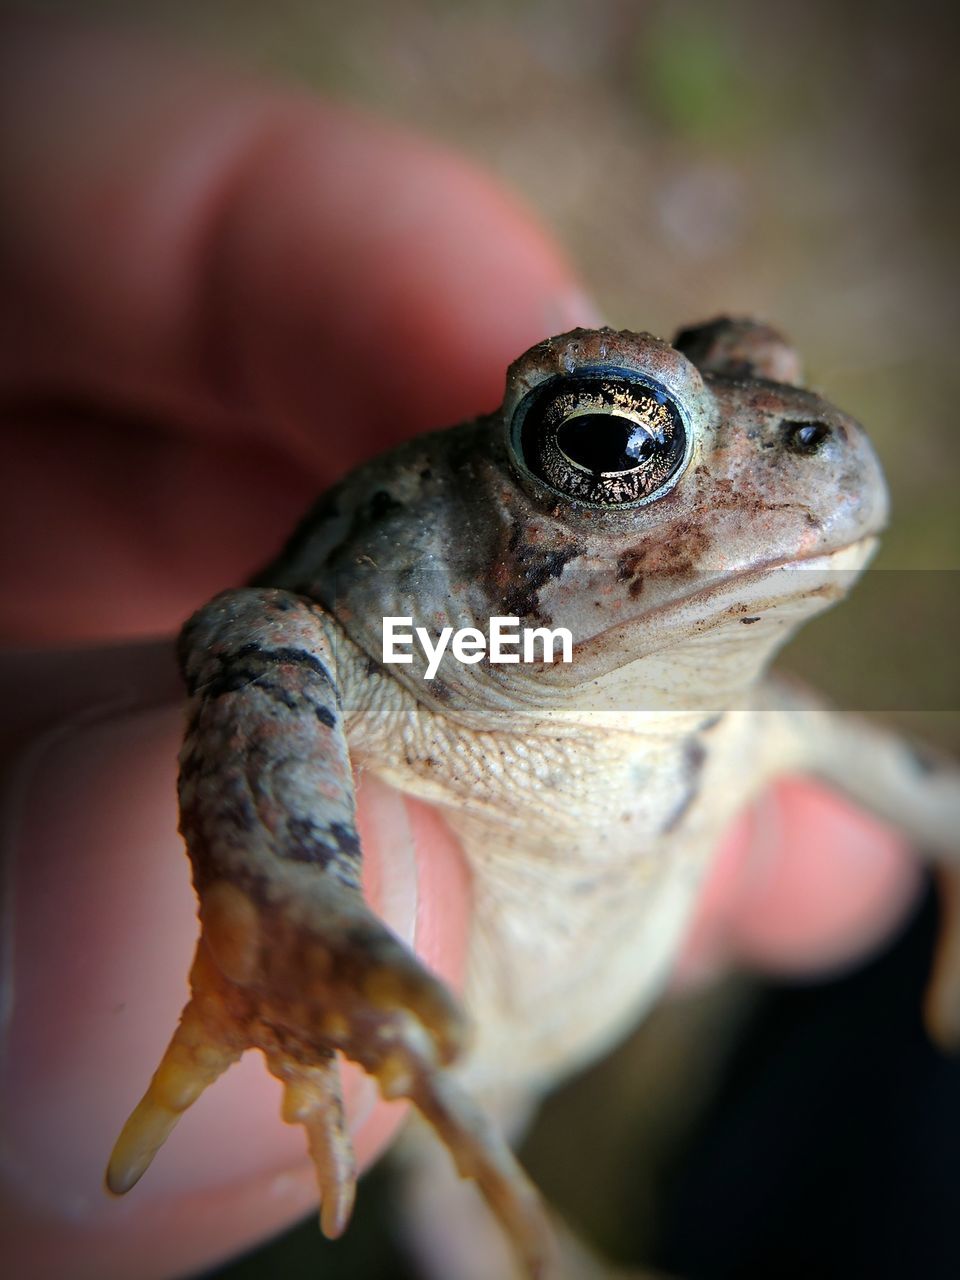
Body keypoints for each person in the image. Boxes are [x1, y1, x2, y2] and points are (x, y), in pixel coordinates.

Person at [0, 18, 920, 1279]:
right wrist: (284, 919)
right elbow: (259, 630)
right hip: (440, 1004)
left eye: (778, 394)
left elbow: (880, 773)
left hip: (549, 985)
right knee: (457, 1190)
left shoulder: (755, 716)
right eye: (613, 447)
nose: (816, 446)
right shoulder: (389, 661)